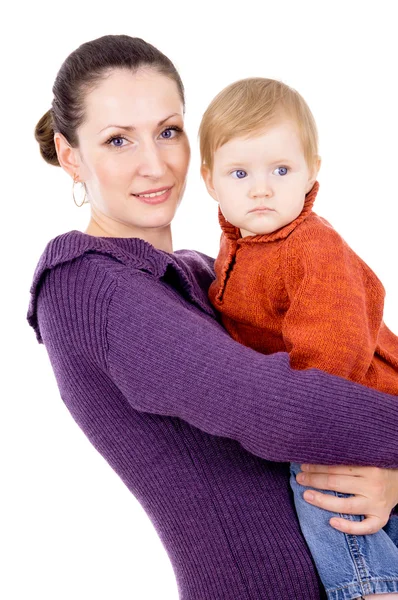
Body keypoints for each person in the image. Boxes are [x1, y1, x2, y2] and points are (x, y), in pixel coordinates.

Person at [28, 35, 398, 600]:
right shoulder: (88, 285)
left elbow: (350, 370)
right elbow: (275, 408)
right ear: (71, 155)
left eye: (168, 131)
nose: (154, 164)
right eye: (118, 140)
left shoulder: (210, 274)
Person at [200, 77, 398, 600]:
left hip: (353, 398)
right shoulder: (238, 242)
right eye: (240, 173)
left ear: (312, 171)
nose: (261, 188)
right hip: (313, 399)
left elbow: (334, 352)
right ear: (210, 180)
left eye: (281, 170)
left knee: (321, 484)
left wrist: (290, 418)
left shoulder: (313, 247)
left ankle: (368, 587)